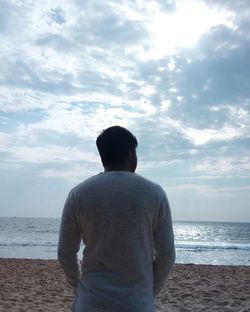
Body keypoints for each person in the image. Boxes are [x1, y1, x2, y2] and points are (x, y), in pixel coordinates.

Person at [58, 125, 175, 312]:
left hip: (90, 303)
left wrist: (78, 288)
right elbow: (167, 254)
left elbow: (65, 253)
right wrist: (149, 293)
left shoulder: (79, 194)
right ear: (130, 154)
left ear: (103, 156)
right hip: (138, 304)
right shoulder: (154, 193)